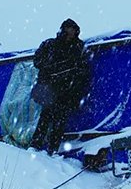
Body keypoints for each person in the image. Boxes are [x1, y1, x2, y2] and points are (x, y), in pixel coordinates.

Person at [29, 18, 89, 154]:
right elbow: (37, 61)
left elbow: (83, 69)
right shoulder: (50, 44)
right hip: (49, 89)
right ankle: (34, 147)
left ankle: (53, 150)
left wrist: (73, 80)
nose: (70, 33)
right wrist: (51, 67)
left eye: (73, 30)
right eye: (68, 29)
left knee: (59, 122)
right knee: (45, 117)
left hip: (67, 91)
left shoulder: (78, 47)